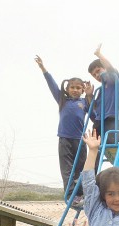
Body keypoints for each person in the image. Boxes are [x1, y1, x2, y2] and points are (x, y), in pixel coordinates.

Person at [35, 56, 93, 205]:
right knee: (67, 169)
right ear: (67, 89)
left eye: (78, 88)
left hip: (80, 140)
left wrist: (89, 95)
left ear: (82, 90)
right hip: (65, 139)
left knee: (81, 168)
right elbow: (52, 85)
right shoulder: (62, 100)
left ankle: (80, 194)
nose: (75, 90)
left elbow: (94, 114)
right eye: (72, 87)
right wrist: (43, 69)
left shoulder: (84, 102)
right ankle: (71, 195)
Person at [88, 44, 119, 148]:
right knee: (94, 148)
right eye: (94, 75)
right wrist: (90, 95)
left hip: (110, 118)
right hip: (99, 121)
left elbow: (110, 68)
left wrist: (99, 55)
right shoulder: (100, 90)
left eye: (98, 71)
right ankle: (93, 163)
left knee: (112, 145)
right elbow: (95, 107)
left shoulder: (114, 80)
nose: (97, 75)